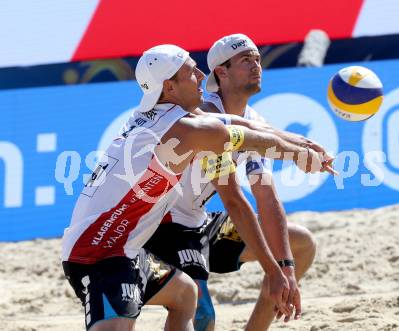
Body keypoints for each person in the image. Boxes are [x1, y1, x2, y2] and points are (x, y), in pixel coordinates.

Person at [61, 44, 333, 331]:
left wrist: (303, 145)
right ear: (169, 86)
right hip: (98, 251)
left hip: (128, 247)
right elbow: (247, 147)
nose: (202, 75)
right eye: (192, 71)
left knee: (184, 294)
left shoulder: (170, 116)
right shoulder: (188, 131)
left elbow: (247, 127)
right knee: (192, 313)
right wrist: (298, 155)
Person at [144, 35, 335, 331]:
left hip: (198, 223)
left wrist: (284, 268)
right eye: (246, 60)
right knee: (202, 314)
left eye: (258, 58)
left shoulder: (254, 119)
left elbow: (267, 198)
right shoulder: (203, 115)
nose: (256, 65)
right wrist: (273, 271)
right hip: (165, 227)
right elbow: (233, 199)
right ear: (221, 72)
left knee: (301, 245)